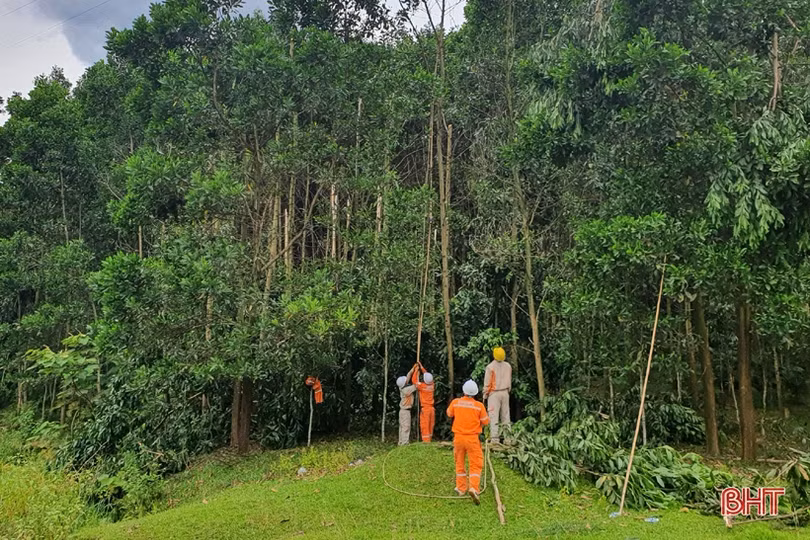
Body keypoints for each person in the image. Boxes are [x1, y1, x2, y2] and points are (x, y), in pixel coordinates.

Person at [446, 379, 489, 505]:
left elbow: (449, 414)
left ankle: (461, 489)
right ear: (475, 393)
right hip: (472, 439)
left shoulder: (456, 402)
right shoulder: (479, 406)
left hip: (458, 438)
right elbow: (486, 421)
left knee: (459, 462)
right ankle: (473, 488)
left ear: (464, 391)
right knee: (475, 464)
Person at [483, 346, 512, 444]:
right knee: (506, 416)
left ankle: (495, 439)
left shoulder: (490, 367)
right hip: (505, 392)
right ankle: (508, 439)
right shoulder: (508, 366)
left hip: (494, 394)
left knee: (493, 416)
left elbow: (487, 383)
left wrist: (485, 395)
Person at [412, 363, 435, 442]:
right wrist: (421, 367)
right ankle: (429, 440)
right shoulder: (432, 385)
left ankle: (426, 442)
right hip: (432, 409)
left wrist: (416, 370)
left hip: (425, 409)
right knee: (430, 425)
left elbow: (414, 381)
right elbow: (427, 376)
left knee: (425, 425)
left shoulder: (422, 386)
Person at [397, 365, 418, 446]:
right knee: (406, 427)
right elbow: (416, 385)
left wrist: (413, 368)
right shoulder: (407, 390)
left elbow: (408, 376)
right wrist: (417, 373)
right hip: (405, 411)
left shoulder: (401, 387)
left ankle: (401, 442)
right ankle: (405, 443)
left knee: (402, 427)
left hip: (402, 411)